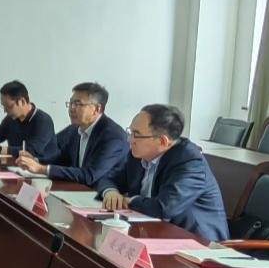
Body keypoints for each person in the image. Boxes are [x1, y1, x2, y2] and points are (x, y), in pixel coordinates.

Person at [95, 104, 229, 242]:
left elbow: (164, 208)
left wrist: (129, 201)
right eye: (130, 132)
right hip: (153, 231)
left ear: (163, 141)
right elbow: (108, 178)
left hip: (196, 242)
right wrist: (111, 192)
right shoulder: (138, 155)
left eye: (136, 134)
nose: (130, 139)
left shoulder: (189, 162)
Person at [16, 82, 128, 187]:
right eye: (71, 103)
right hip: (78, 190)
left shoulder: (113, 137)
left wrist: (42, 169)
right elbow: (62, 159)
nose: (71, 109)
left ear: (97, 109)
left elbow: (89, 175)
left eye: (78, 104)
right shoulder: (75, 129)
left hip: (104, 195)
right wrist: (36, 161)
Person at [0, 80, 59, 159]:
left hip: (42, 170)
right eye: (3, 106)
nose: (5, 111)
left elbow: (30, 151)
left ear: (22, 101)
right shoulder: (11, 119)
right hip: (17, 167)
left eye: (8, 106)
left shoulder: (43, 121)